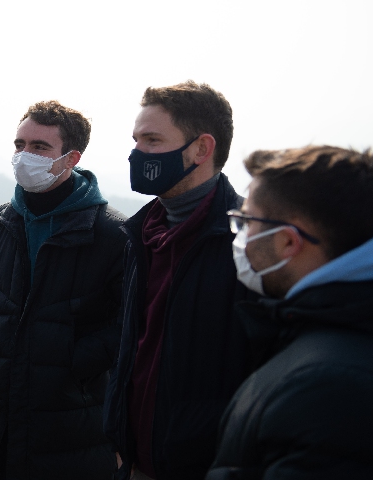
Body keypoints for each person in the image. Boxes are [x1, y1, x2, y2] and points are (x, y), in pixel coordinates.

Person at [0, 101, 127, 479]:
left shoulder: (113, 235)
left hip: (70, 424)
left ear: (71, 158)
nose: (24, 156)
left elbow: (130, 320)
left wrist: (73, 363)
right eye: (20, 145)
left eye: (39, 147)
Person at [205, 146, 373, 479]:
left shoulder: (331, 390)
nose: (242, 238)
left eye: (248, 222)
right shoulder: (353, 333)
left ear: (287, 243)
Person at [103, 81, 256, 480]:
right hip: (133, 462)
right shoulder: (141, 233)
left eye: (153, 140)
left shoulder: (249, 246)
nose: (138, 153)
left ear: (202, 149)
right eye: (136, 140)